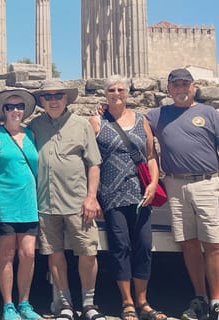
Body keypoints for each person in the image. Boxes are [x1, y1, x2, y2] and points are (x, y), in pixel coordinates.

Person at [145, 68, 219, 320]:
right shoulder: (158, 114)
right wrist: (102, 112)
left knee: (214, 243)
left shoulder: (208, 113)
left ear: (193, 87)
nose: (181, 88)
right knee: (188, 243)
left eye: (185, 84)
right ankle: (200, 298)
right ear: (168, 89)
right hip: (175, 185)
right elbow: (135, 121)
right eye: (176, 85)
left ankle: (217, 302)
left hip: (207, 183)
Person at [28, 79, 106, 320]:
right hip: (46, 202)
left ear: (66, 98)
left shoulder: (81, 125)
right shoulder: (35, 126)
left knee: (87, 252)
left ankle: (89, 303)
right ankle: (64, 303)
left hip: (77, 201)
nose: (53, 100)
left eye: (58, 95)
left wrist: (91, 197)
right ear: (41, 100)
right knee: (55, 253)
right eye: (48, 96)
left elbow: (94, 163)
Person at [89, 75, 165, 320]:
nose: (116, 93)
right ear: (105, 93)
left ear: (128, 92)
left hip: (140, 192)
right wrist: (93, 196)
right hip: (111, 193)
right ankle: (127, 301)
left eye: (121, 89)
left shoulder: (142, 120)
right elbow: (90, 161)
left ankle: (143, 301)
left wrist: (153, 183)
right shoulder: (96, 121)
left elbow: (150, 156)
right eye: (111, 89)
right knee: (120, 247)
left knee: (143, 246)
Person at [0, 89, 43, 320]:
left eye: (19, 106)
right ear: (3, 111)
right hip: (4, 203)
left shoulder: (31, 134)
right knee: (6, 254)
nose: (15, 110)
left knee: (28, 254)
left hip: (28, 203)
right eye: (10, 107)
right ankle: (8, 304)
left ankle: (25, 303)